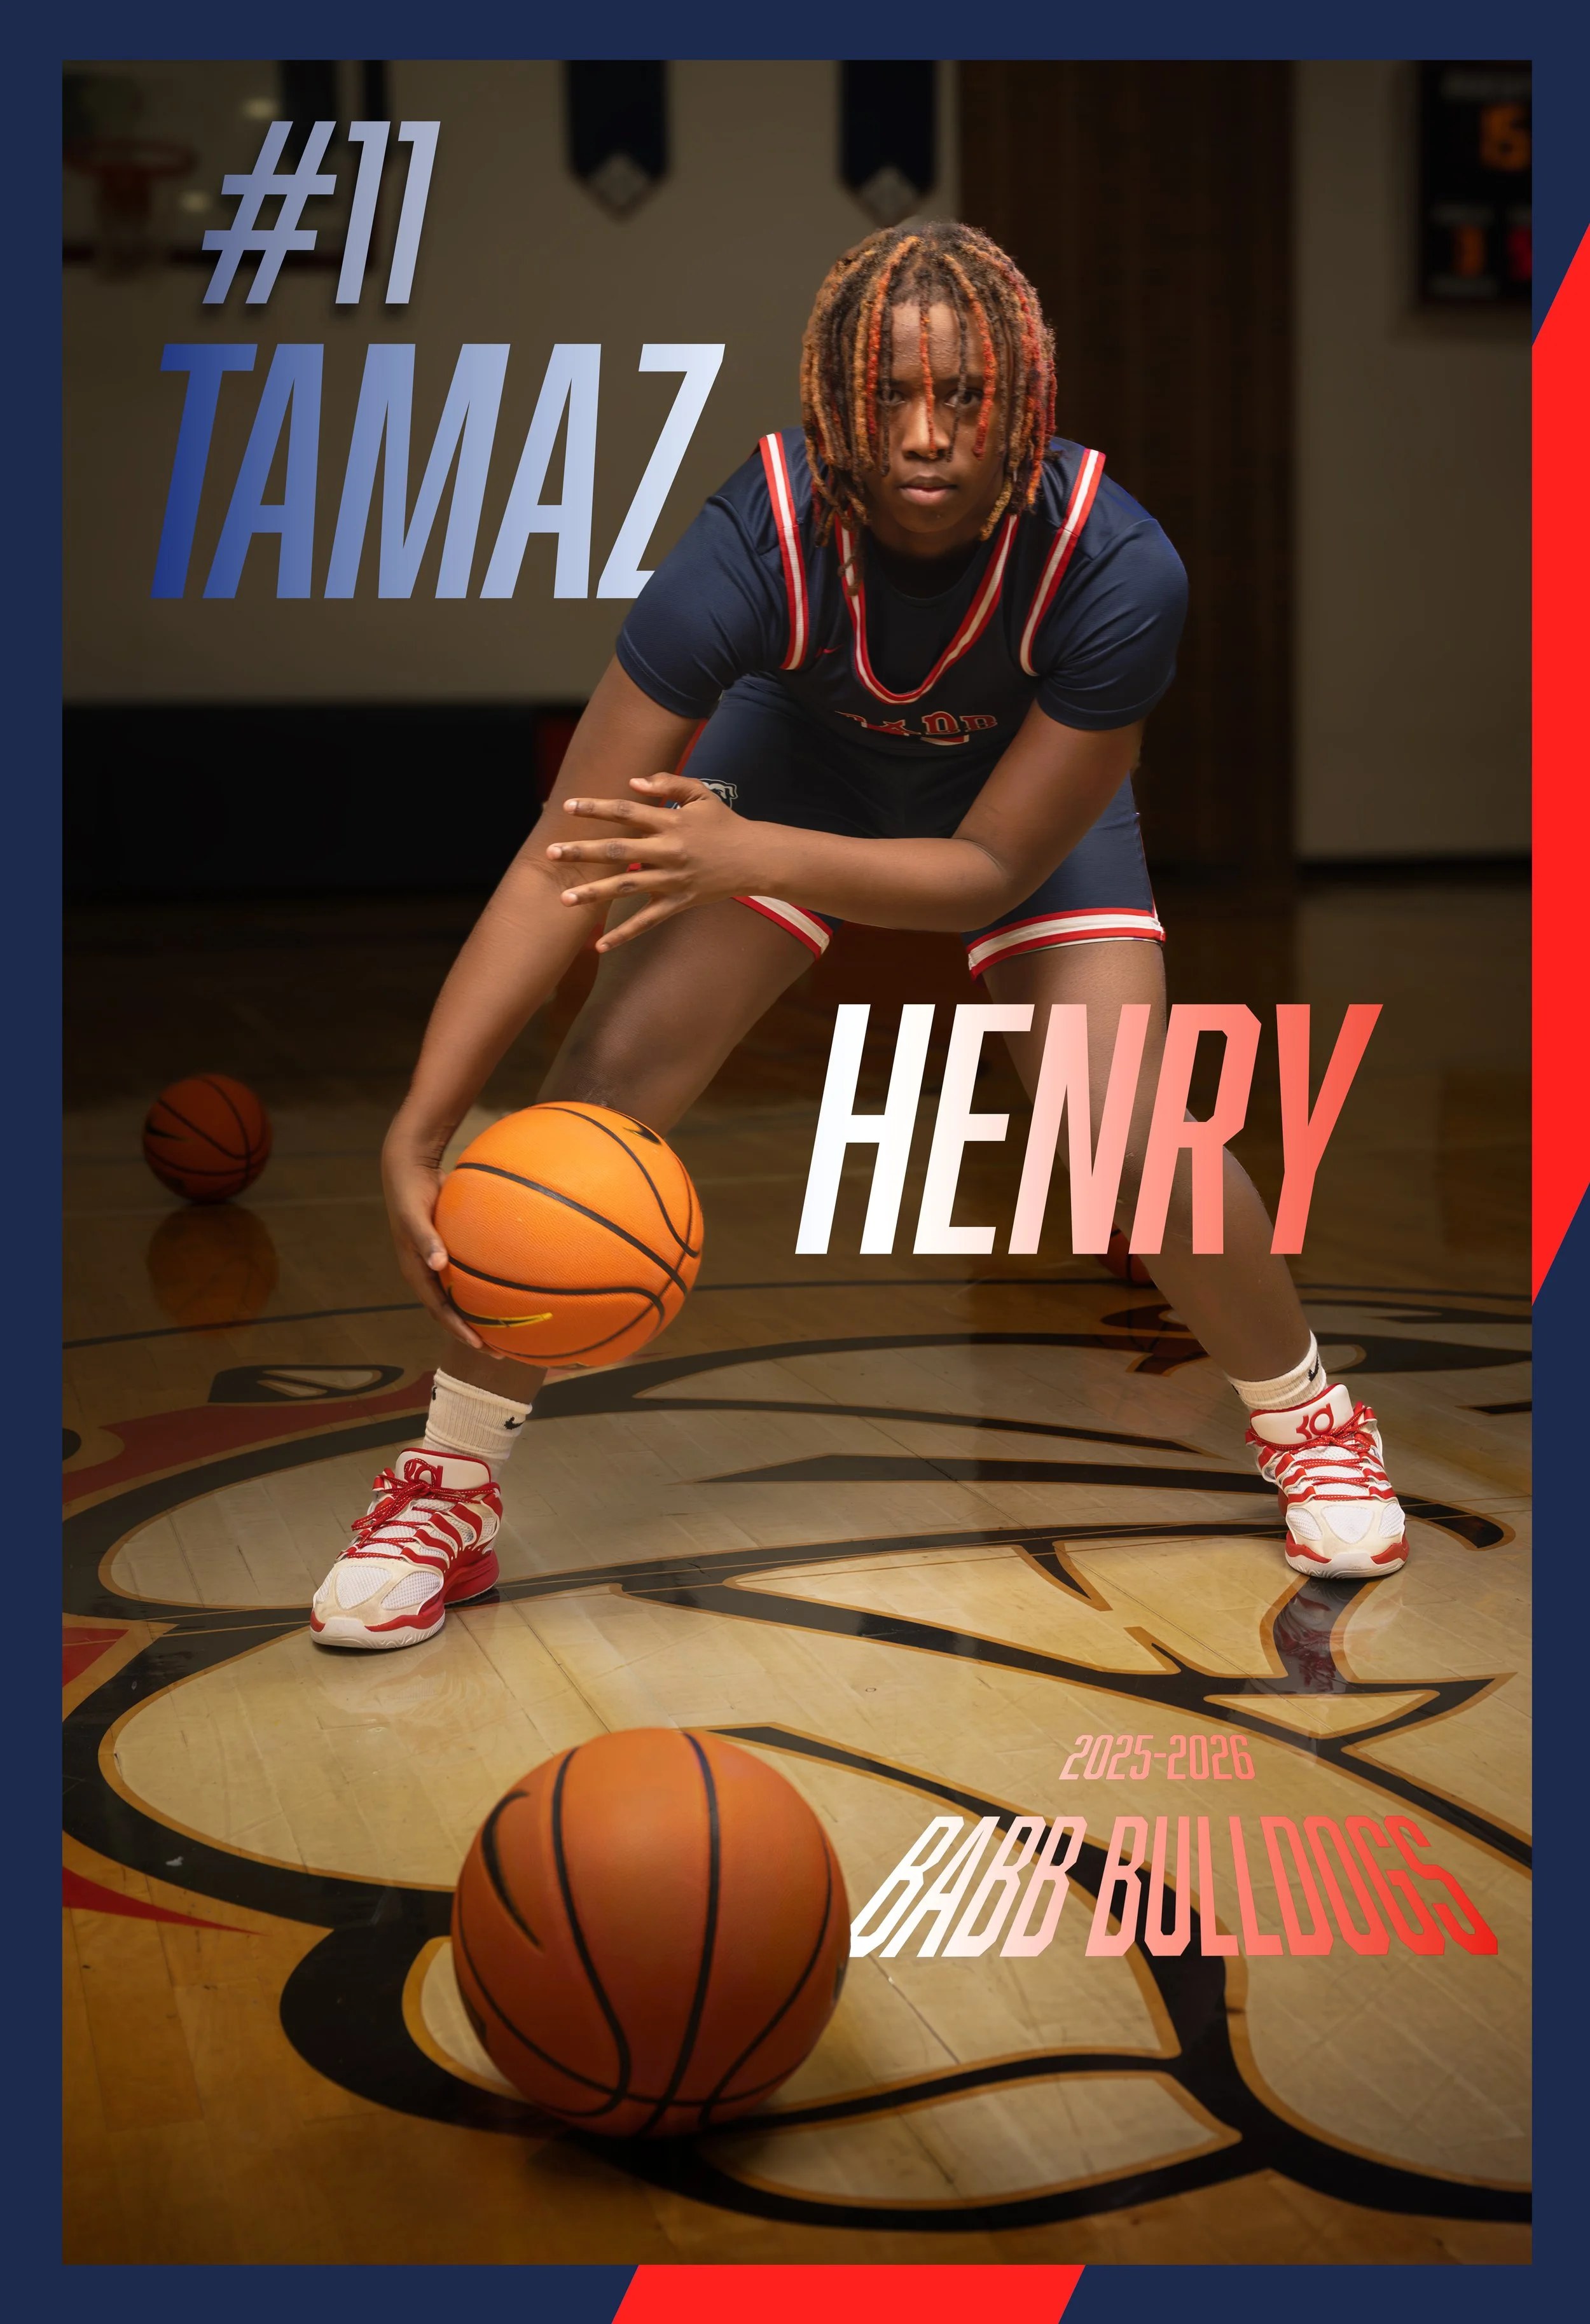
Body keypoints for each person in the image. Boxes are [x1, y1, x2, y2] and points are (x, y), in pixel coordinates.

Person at [310, 221, 1406, 1653]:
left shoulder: (1117, 566)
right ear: (833, 401)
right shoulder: (754, 534)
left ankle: (1306, 1415)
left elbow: (986, 868)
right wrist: (423, 1119)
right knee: (602, 1080)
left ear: (1024, 401)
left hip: (1016, 808)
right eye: (890, 395)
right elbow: (564, 848)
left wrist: (742, 853)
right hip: (806, 763)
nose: (927, 435)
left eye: (964, 397)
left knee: (1127, 1132)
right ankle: (447, 1481)